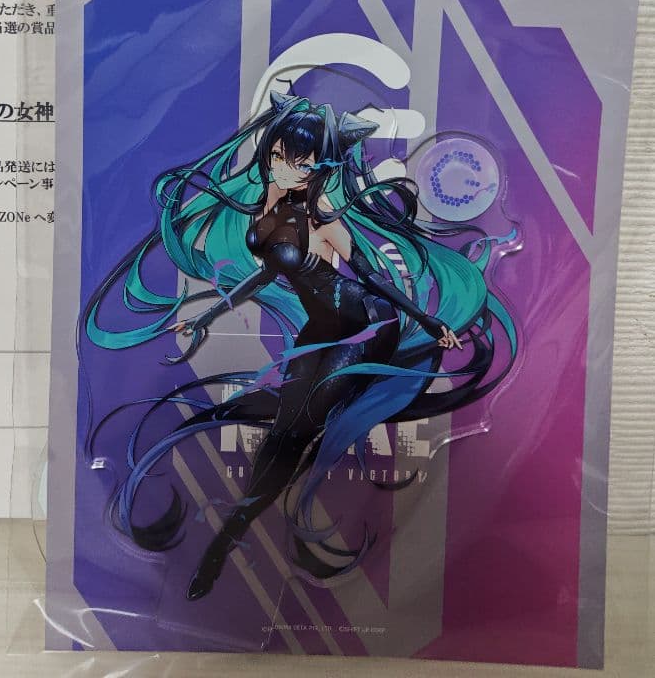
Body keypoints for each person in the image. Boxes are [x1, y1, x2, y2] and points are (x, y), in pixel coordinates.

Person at [83, 92, 517, 599]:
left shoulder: (321, 215)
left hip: (365, 324)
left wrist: (427, 320)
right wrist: (206, 315)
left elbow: (370, 276)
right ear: (269, 150)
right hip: (321, 327)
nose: (288, 168)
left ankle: (226, 541)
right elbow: (267, 273)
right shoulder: (264, 208)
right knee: (285, 430)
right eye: (281, 155)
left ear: (321, 167)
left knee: (296, 430)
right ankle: (232, 535)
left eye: (304, 163)